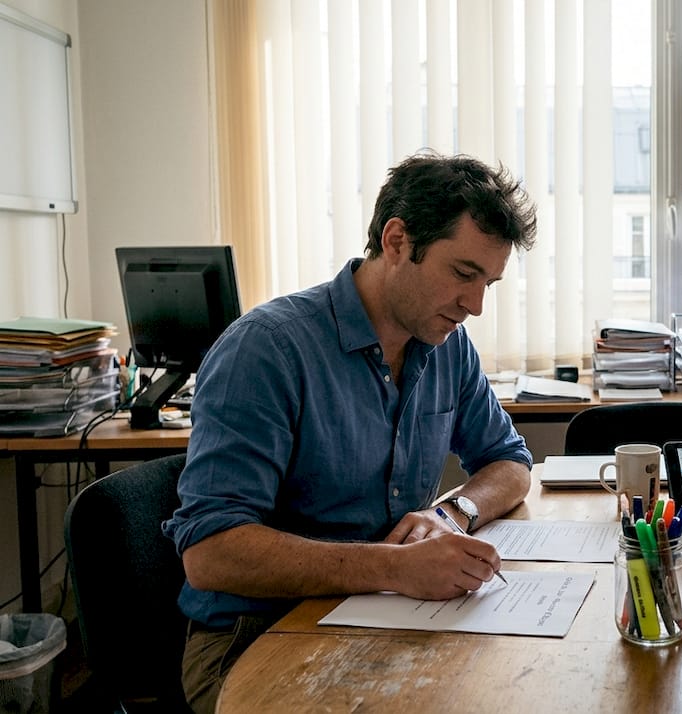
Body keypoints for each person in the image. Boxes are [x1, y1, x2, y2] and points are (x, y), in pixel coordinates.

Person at [162, 152, 538, 713]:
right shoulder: (266, 349)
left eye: (489, 282)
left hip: (387, 611)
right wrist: (394, 568)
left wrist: (451, 514)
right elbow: (211, 554)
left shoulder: (446, 345)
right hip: (255, 635)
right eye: (463, 274)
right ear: (396, 241)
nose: (476, 305)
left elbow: (510, 462)